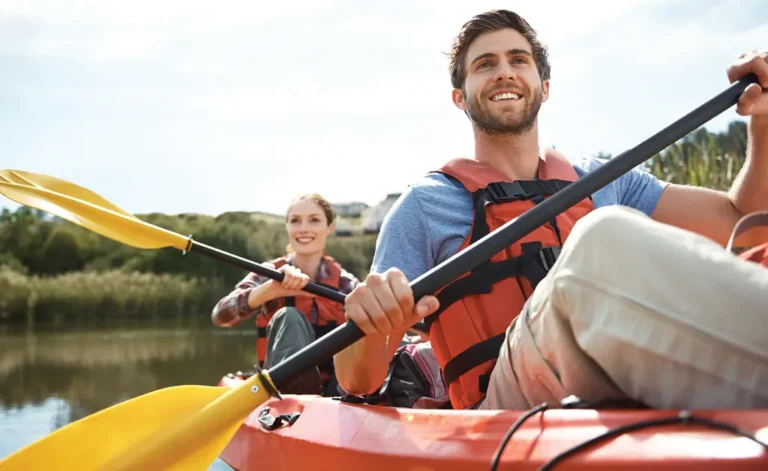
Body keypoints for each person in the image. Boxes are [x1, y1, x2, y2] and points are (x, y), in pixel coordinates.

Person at [333, 9, 768, 411]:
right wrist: (372, 321)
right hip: (507, 402)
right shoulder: (424, 207)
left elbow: (739, 219)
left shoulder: (606, 179)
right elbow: (358, 380)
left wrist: (764, 123)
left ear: (544, 86)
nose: (504, 71)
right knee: (603, 236)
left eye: (518, 59)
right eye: (485, 65)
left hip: (623, 363)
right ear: (460, 98)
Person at [212, 193, 359, 395]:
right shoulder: (269, 273)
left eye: (314, 220)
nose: (303, 228)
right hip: (283, 390)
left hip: (338, 391)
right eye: (295, 221)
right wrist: (270, 290)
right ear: (287, 227)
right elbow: (220, 316)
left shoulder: (345, 282)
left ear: (330, 227)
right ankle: (296, 395)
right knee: (289, 316)